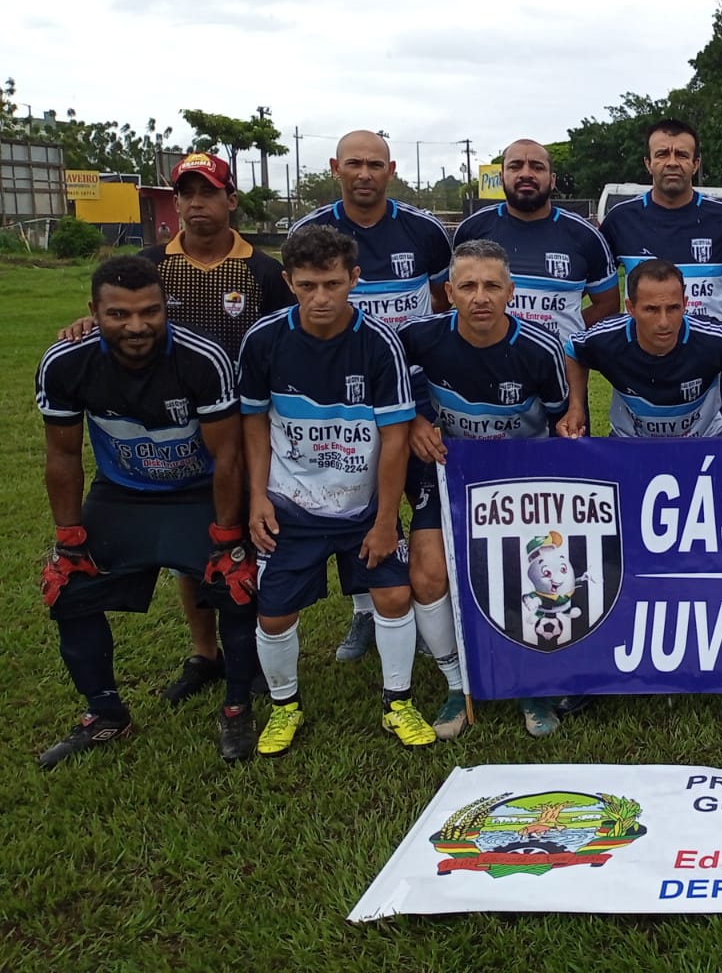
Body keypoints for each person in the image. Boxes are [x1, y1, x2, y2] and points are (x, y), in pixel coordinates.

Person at [57, 152, 294, 704]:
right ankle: (204, 653)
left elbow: (288, 335)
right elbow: (118, 313)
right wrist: (87, 323)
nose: (196, 204)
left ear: (231, 200)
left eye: (208, 193)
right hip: (176, 432)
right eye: (187, 194)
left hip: (245, 423)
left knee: (243, 546)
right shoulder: (150, 264)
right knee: (194, 550)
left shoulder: (262, 270)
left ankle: (254, 657)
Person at [35, 256, 257, 766]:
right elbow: (62, 456)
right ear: (94, 311)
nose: (136, 326)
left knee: (237, 582)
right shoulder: (65, 361)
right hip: (122, 492)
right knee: (68, 590)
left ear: (165, 308)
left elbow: (228, 456)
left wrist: (228, 535)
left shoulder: (203, 357)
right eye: (118, 314)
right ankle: (106, 714)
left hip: (197, 491)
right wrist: (69, 536)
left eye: (149, 312)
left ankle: (237, 706)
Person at [239, 225, 431, 755]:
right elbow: (253, 424)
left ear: (354, 278)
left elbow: (395, 439)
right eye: (306, 286)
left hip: (360, 504)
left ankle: (397, 702)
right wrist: (257, 496)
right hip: (291, 504)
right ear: (288, 282)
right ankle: (285, 706)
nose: (320, 297)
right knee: (274, 613)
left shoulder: (379, 343)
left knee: (393, 596)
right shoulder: (264, 339)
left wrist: (385, 520)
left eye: (332, 284)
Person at [400, 240, 576, 739]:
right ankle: (457, 684)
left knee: (529, 573)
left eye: (492, 286)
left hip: (524, 480)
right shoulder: (418, 338)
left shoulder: (539, 348)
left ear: (510, 291)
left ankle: (531, 682)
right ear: (449, 291)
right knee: (427, 575)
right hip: (450, 474)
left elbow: (562, 422)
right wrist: (414, 420)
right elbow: (388, 392)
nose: (481, 297)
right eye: (469, 286)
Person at [295, 130, 452, 662]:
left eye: (375, 164)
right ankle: (367, 608)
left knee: (421, 491)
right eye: (354, 163)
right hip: (341, 397)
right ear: (335, 167)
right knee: (353, 500)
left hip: (416, 390)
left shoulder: (424, 230)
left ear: (391, 170)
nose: (364, 173)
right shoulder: (310, 230)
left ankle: (432, 611)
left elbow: (440, 303)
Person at [598, 119, 722, 431]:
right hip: (640, 362)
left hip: (709, 363)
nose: (671, 162)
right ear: (648, 163)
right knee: (636, 453)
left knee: (715, 455)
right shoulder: (621, 219)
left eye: (681, 154)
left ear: (696, 163)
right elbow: (594, 282)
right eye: (662, 154)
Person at [560, 259, 722, 440]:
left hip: (704, 441)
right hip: (630, 443)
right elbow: (573, 351)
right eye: (651, 309)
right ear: (631, 308)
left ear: (685, 304)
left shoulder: (710, 337)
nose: (664, 322)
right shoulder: (608, 337)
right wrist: (575, 406)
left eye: (673, 308)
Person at [452, 138, 619, 336]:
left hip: (557, 356)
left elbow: (607, 304)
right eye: (515, 166)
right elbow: (454, 297)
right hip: (488, 355)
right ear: (501, 177)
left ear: (552, 180)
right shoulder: (472, 230)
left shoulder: (585, 235)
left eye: (537, 167)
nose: (526, 174)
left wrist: (568, 337)